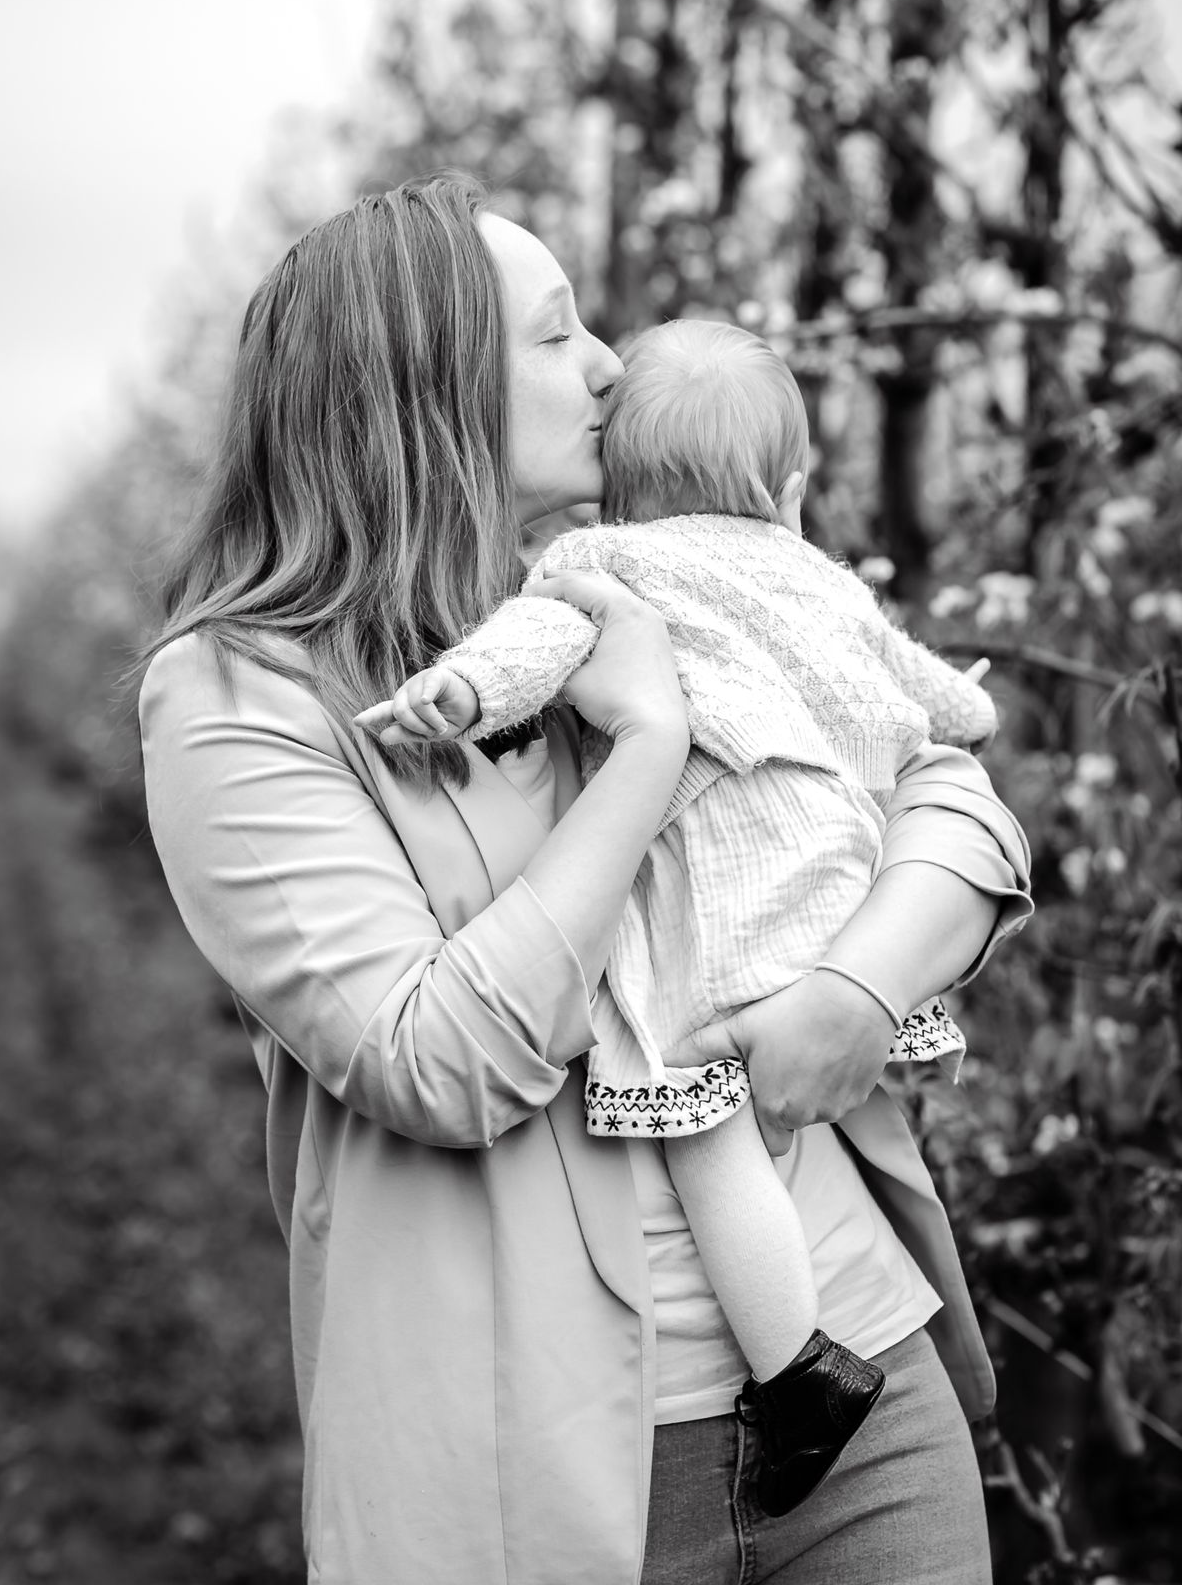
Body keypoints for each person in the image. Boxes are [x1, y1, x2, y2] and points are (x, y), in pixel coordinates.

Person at [138, 174, 1031, 1585]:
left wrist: (860, 989)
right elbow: (437, 1061)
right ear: (425, 393)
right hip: (549, 1466)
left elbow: (957, 799)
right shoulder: (246, 701)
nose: (612, 363)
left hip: (865, 1386)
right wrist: (647, 752)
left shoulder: (646, 580)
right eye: (557, 338)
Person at [355, 318, 998, 1515]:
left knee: (699, 1125)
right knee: (782, 1102)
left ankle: (796, 1370)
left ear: (624, 486)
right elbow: (922, 690)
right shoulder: (821, 581)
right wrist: (968, 710)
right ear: (792, 492)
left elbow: (535, 647)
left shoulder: (613, 567)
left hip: (723, 897)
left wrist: (458, 690)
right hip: (837, 883)